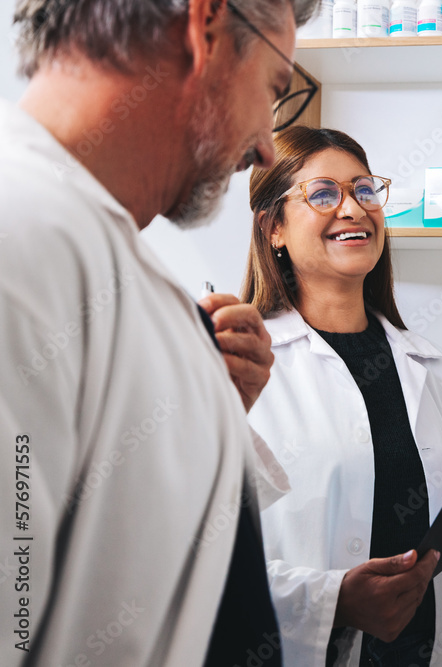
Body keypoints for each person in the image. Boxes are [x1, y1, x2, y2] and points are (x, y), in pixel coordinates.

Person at [0, 0, 319, 664]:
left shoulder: (114, 264)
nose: (266, 143)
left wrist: (209, 406)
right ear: (206, 25)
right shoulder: (21, 236)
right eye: (273, 89)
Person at [243, 126, 442, 666]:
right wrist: (335, 603)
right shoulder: (245, 370)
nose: (352, 209)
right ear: (273, 227)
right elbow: (199, 565)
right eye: (323, 194)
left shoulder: (431, 368)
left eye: (365, 190)